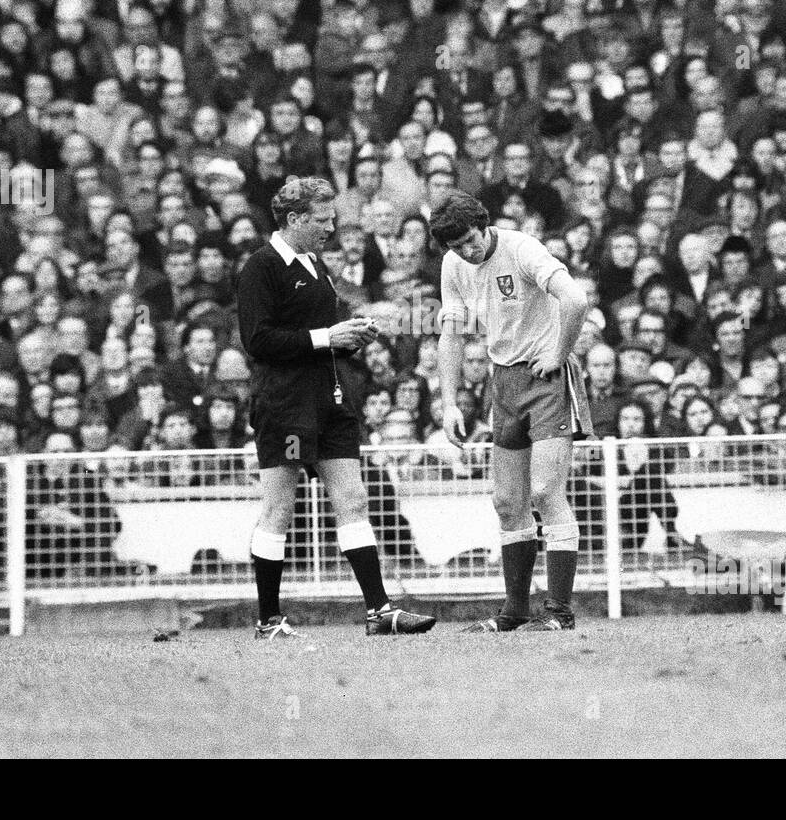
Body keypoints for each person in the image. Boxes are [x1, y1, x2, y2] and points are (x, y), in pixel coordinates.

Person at [235, 175, 435, 639]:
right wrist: (328, 337)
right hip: (283, 405)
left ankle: (379, 611)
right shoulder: (261, 267)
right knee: (279, 508)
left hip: (329, 398)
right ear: (295, 219)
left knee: (353, 499)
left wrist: (352, 336)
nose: (330, 228)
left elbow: (320, 336)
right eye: (322, 220)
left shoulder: (315, 264)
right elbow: (258, 340)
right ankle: (267, 619)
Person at [432, 190, 592, 631]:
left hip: (545, 379)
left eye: (470, 240)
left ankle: (559, 612)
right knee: (507, 503)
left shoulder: (522, 249)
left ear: (484, 225)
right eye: (457, 246)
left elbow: (575, 300)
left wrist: (559, 353)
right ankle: (515, 611)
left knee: (544, 491)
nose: (468, 251)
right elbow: (452, 333)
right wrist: (448, 403)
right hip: (502, 381)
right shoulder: (453, 265)